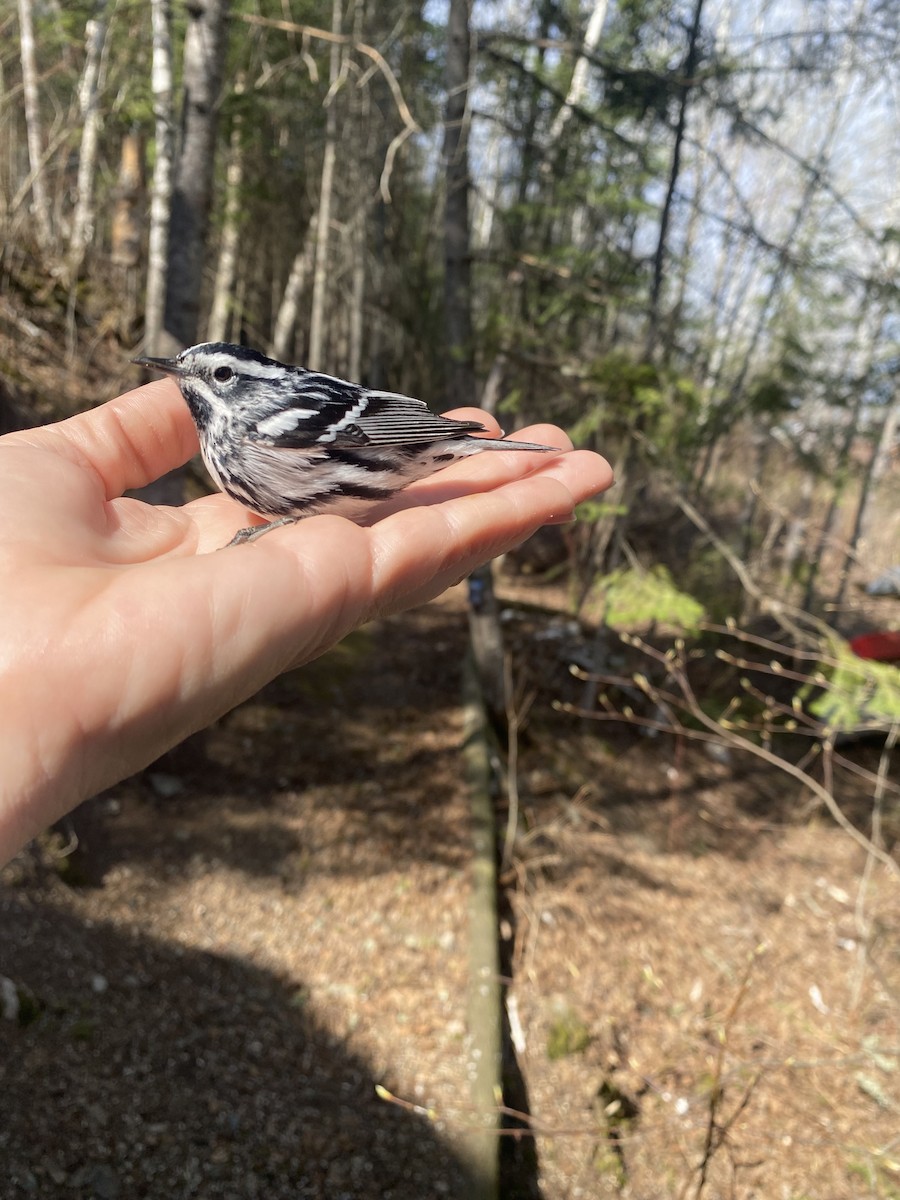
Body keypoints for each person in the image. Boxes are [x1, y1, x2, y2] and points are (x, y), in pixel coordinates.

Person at [0, 376, 613, 864]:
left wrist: (438, 435)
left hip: (383, 450)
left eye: (216, 375)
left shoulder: (269, 420)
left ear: (246, 384)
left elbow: (364, 420)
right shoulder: (229, 433)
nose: (192, 384)